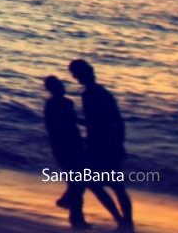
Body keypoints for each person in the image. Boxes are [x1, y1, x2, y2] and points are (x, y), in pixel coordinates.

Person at [45, 75, 121, 229]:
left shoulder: (68, 102)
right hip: (63, 148)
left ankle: (74, 216)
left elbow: (75, 121)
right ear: (51, 90)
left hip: (77, 145)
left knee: (78, 183)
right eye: (57, 86)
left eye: (61, 85)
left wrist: (94, 124)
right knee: (79, 183)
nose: (61, 88)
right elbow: (52, 128)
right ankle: (74, 214)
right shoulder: (51, 105)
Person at [70, 59, 134, 231]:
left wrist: (75, 120)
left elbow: (96, 123)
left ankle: (123, 222)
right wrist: (120, 143)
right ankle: (126, 223)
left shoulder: (90, 95)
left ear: (81, 75)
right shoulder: (104, 93)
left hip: (100, 147)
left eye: (75, 74)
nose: (75, 77)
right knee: (116, 186)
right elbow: (116, 121)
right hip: (108, 144)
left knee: (98, 185)